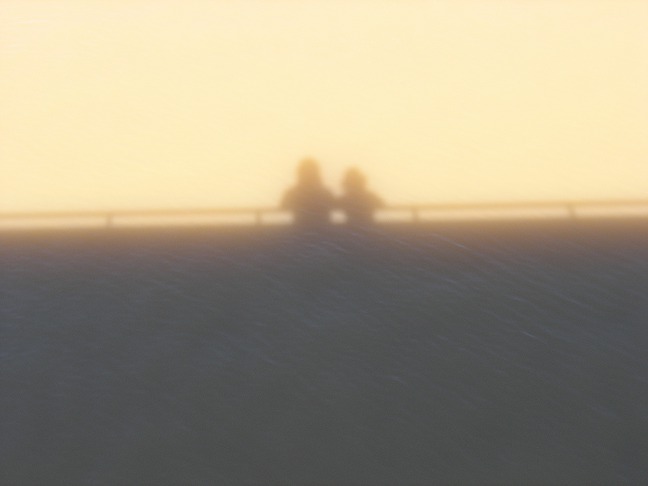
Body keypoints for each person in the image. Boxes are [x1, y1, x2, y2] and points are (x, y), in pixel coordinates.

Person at [281, 158, 335, 228]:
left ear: (300, 173)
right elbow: (335, 207)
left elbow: (282, 208)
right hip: (324, 231)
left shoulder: (291, 193)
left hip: (298, 230)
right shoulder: (326, 193)